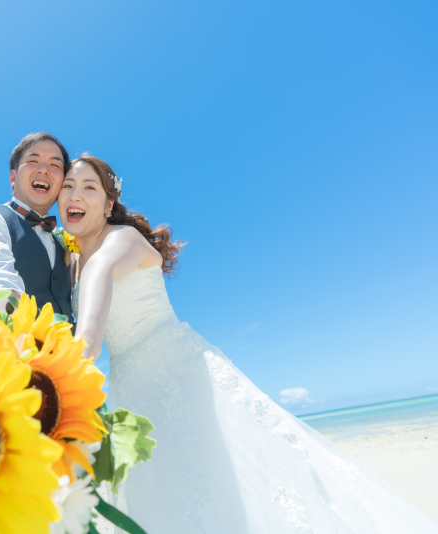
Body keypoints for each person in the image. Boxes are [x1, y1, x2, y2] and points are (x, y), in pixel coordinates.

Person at [60, 154, 438, 533]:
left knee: (227, 494)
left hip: (177, 375)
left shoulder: (119, 240)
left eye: (89, 188)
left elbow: (91, 328)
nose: (76, 195)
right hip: (130, 386)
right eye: (68, 187)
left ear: (109, 203)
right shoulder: (72, 261)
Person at [0, 132, 73, 319]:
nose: (44, 170)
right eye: (33, 161)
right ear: (13, 177)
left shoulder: (66, 244)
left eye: (55, 165)